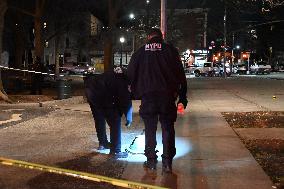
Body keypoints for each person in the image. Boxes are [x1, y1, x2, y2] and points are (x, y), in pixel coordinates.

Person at [127, 28, 188, 173]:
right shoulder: (171, 51)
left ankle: (151, 161)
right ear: (162, 37)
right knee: (168, 129)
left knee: (150, 129)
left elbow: (130, 75)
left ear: (148, 37)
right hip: (167, 97)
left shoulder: (140, 52)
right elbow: (180, 75)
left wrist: (135, 93)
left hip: (148, 97)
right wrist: (182, 97)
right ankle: (167, 162)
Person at [84, 67, 132, 159]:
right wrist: (129, 118)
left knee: (99, 119)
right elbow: (125, 101)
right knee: (115, 122)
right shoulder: (126, 81)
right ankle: (115, 151)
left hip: (91, 91)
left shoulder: (120, 74)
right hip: (102, 94)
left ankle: (103, 143)